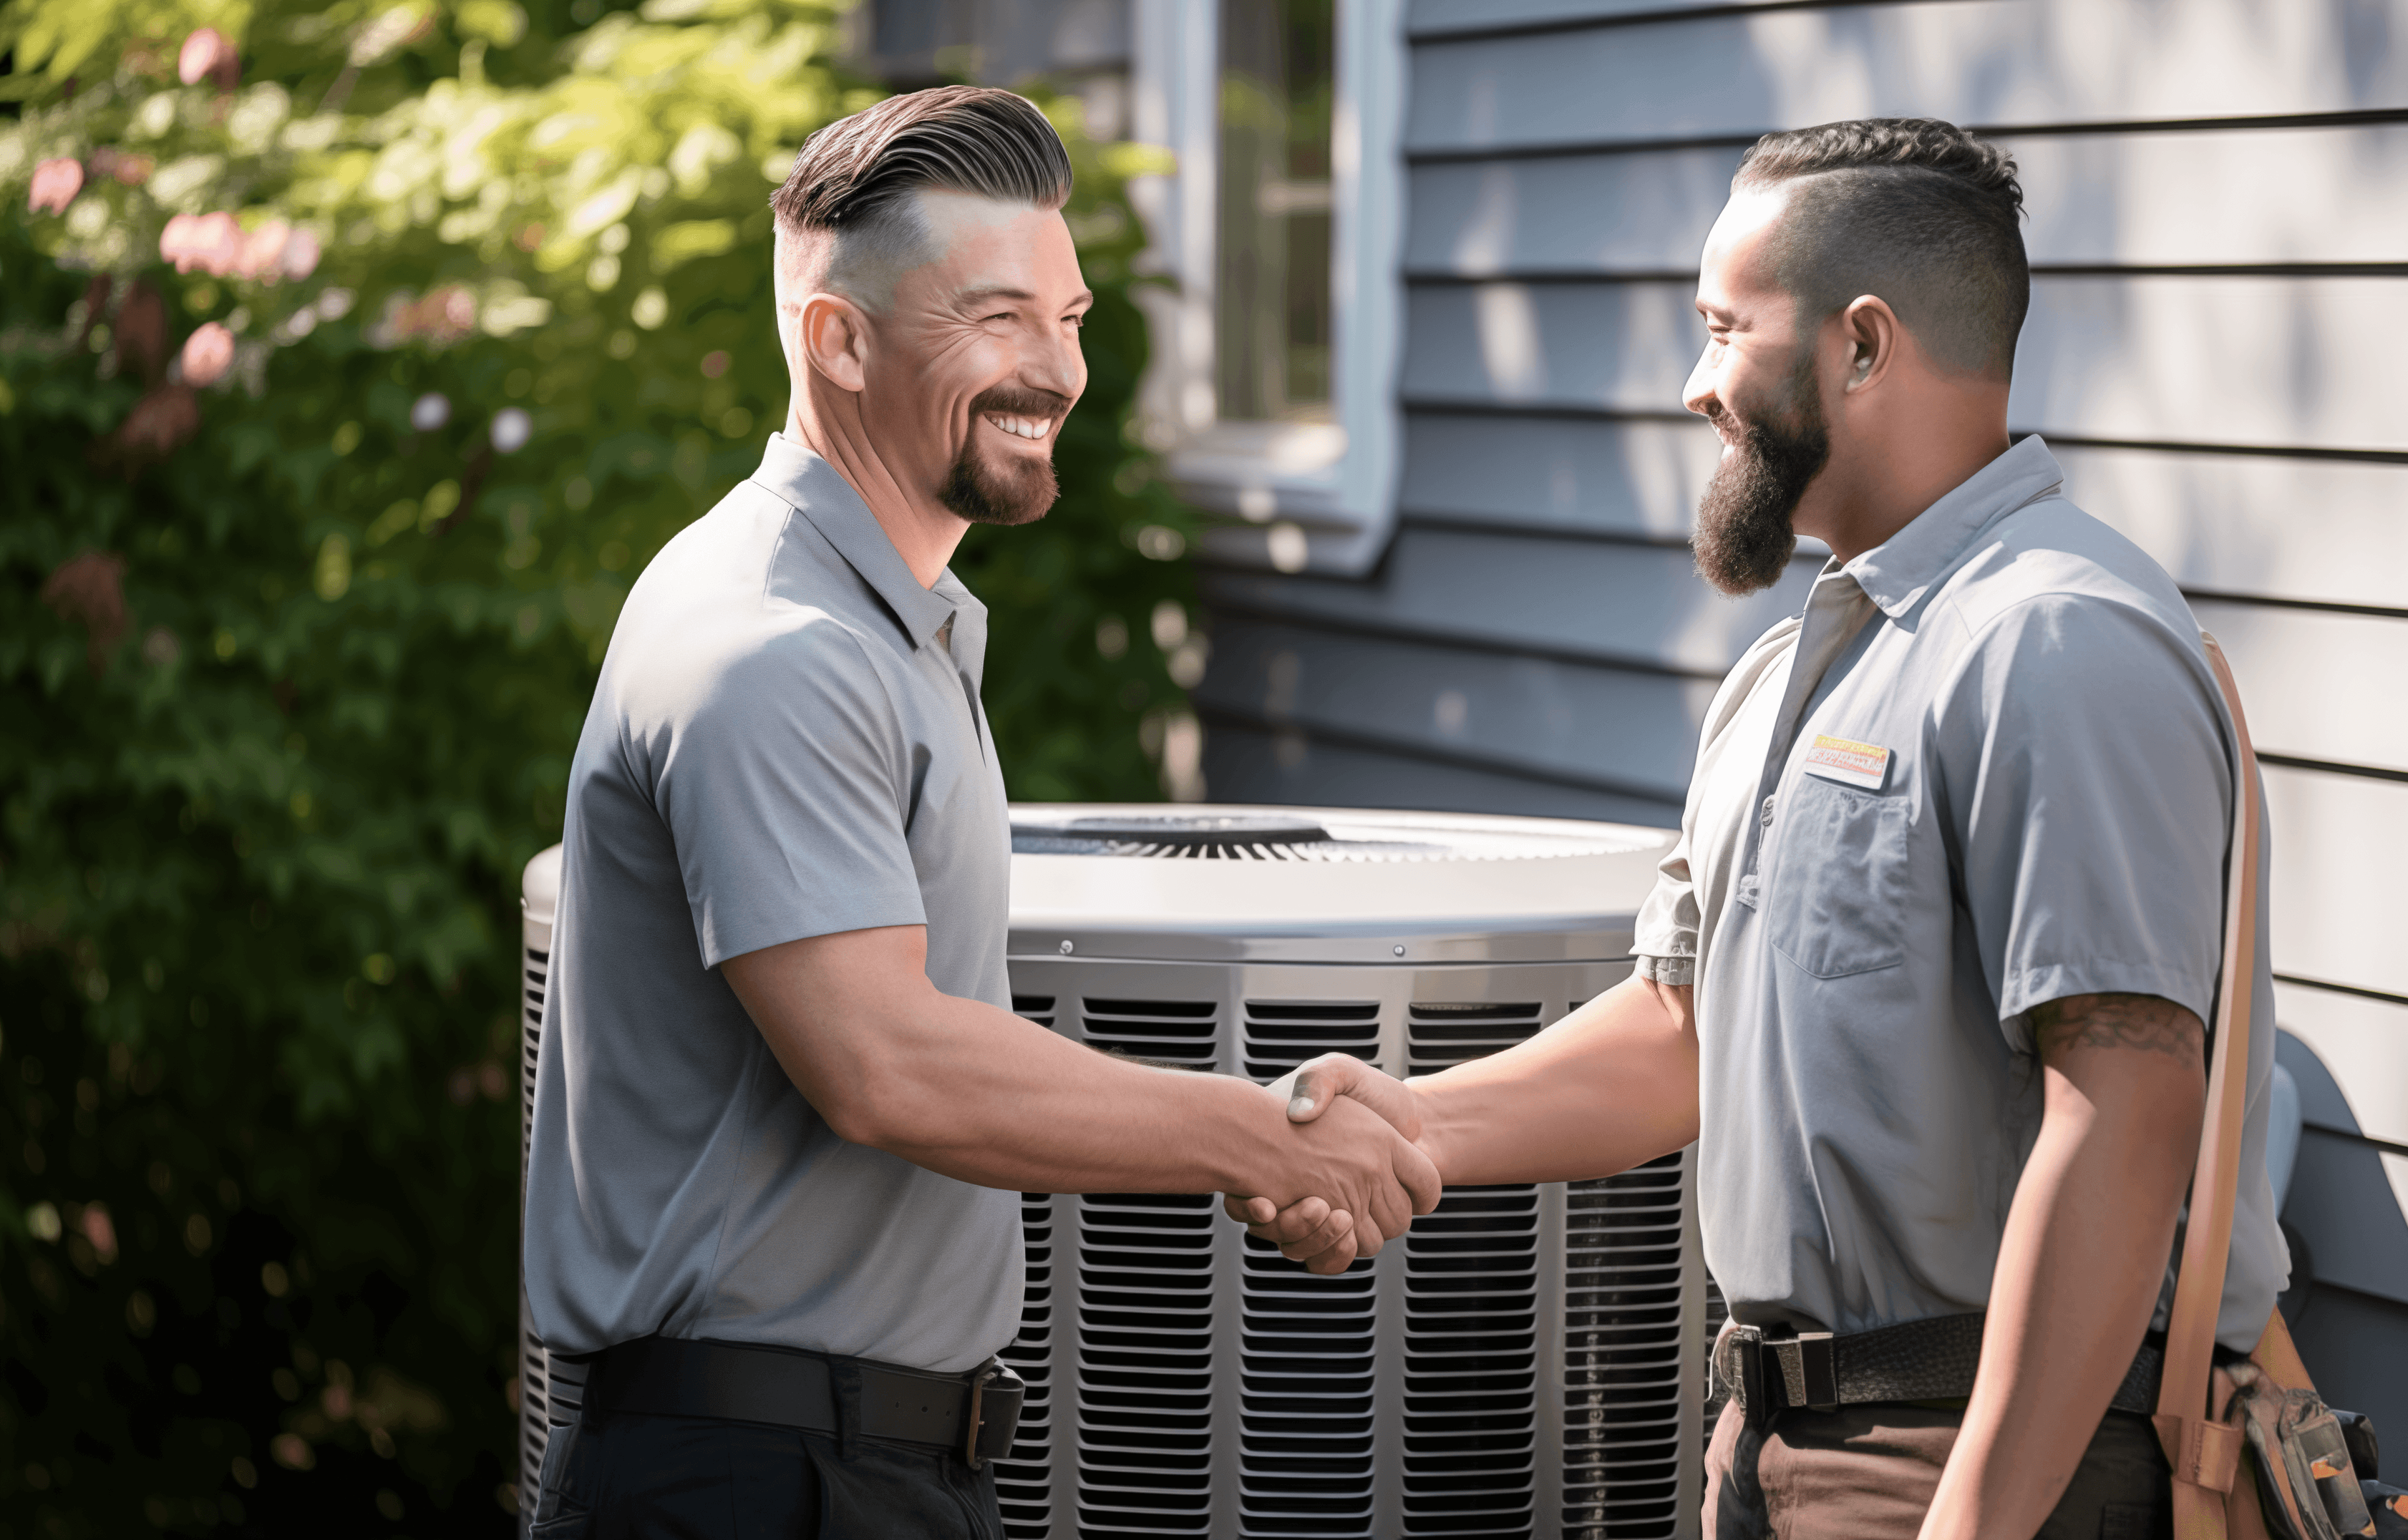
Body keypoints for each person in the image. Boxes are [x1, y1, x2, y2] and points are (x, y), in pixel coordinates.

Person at [1235, 118, 2291, 1540]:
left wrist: (1971, 1518)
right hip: (1773, 1446)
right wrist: (1410, 1128)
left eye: (1725, 328)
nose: (1693, 386)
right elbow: (1683, 1029)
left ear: (1862, 345)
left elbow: (2127, 1109)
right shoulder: (1797, 669)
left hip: (1982, 1456)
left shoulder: (2053, 638)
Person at [519, 87, 1436, 1539]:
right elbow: (887, 1062)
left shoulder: (892, 629)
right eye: (1000, 318)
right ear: (837, 338)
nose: (1058, 368)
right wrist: (1260, 1136)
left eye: (1068, 317)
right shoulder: (772, 644)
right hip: (753, 1478)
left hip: (849, 1463)